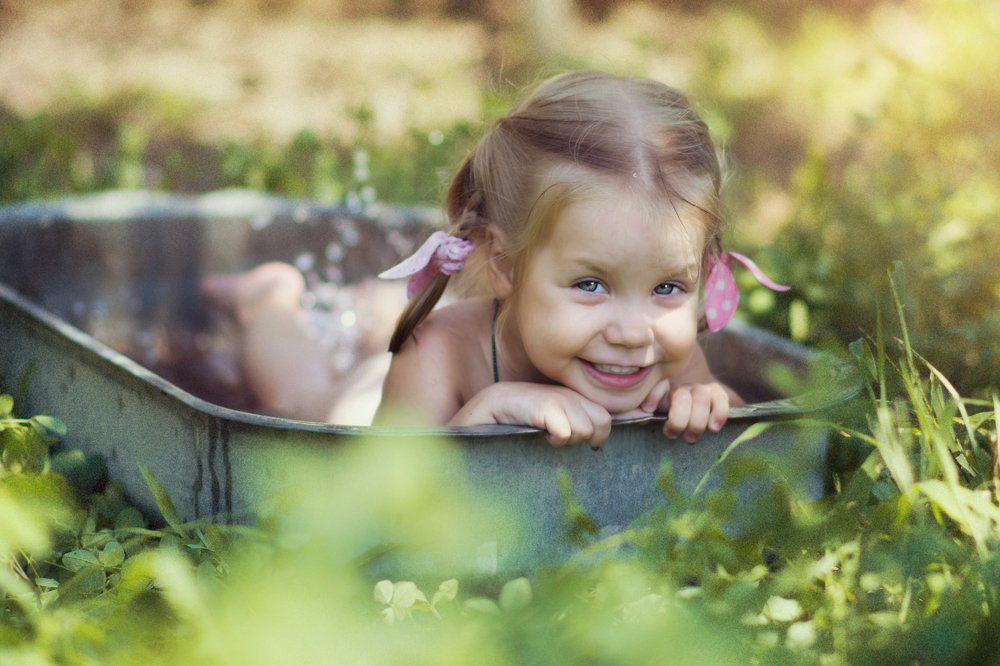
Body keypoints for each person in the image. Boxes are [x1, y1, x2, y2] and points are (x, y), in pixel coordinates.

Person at [203, 71, 788, 446]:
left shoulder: (661, 351)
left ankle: (369, 309)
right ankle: (270, 300)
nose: (635, 332)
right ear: (504, 264)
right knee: (302, 401)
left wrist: (713, 404)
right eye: (591, 284)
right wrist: (483, 414)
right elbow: (386, 497)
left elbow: (727, 428)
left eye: (667, 288)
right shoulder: (435, 353)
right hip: (392, 405)